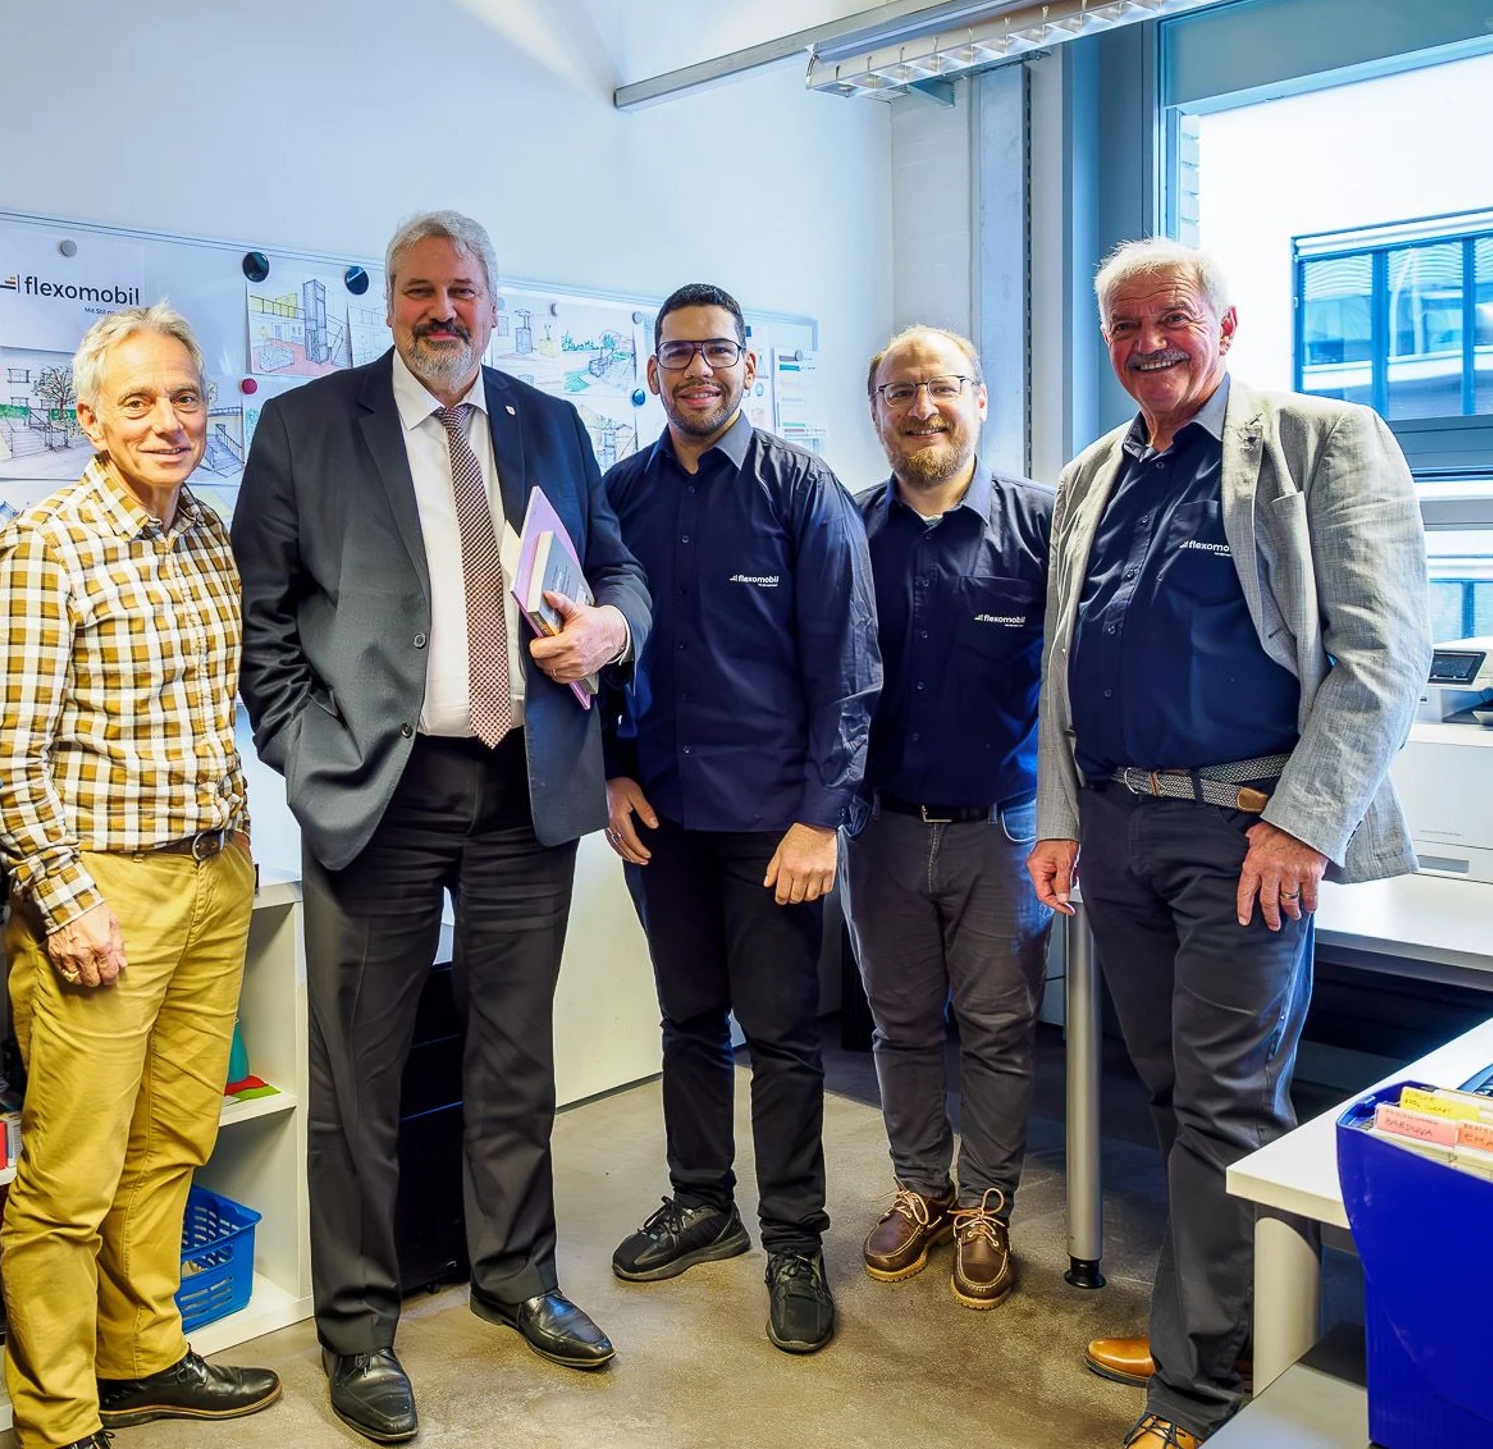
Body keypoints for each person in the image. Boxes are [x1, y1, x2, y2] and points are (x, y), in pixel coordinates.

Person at [232, 209, 650, 1444]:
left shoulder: (550, 422)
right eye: (417, 291)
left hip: (529, 785)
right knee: (356, 1078)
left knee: (513, 1058)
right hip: (377, 794)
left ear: (491, 301)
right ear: (390, 304)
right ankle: (357, 1330)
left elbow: (618, 570)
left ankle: (516, 1274)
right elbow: (260, 619)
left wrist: (611, 630)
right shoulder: (307, 427)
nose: (440, 313)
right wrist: (307, 752)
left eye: (460, 291)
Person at [1028, 237, 1430, 1449]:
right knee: (1169, 1086)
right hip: (1115, 822)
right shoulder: (1091, 472)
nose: (1147, 343)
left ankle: (1195, 1387)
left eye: (1171, 319)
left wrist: (1304, 826)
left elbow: (1381, 653)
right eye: (1123, 328)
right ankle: (1225, 1315)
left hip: (1246, 829)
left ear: (1225, 321)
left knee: (1221, 1101)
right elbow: (1059, 667)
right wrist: (1059, 820)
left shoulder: (1320, 441)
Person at [0, 306, 280, 1449]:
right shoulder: (47, 543)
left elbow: (220, 714)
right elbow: (7, 752)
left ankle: (141, 1352)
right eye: (141, 402)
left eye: (186, 398)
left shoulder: (209, 536)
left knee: (172, 1140)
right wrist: (63, 900)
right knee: (70, 1173)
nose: (169, 420)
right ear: (91, 417)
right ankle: (57, 1415)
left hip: (212, 879)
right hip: (107, 891)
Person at [599, 283, 876, 1355]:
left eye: (715, 352)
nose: (696, 370)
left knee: (780, 1036)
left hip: (772, 825)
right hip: (660, 817)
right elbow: (596, 660)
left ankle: (794, 1239)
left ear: (747, 367)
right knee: (684, 1025)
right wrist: (613, 777)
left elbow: (849, 673)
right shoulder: (618, 495)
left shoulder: (802, 491)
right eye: (676, 354)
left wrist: (821, 819)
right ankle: (702, 1205)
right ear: (652, 368)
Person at [848, 326, 1053, 1311]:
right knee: (899, 1027)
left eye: (940, 388)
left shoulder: (1043, 527)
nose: (920, 408)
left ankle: (983, 1206)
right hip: (877, 826)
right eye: (898, 392)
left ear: (979, 399)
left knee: (998, 1029)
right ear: (876, 410)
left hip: (1002, 829)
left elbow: (1078, 685)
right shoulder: (844, 531)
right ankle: (919, 1192)